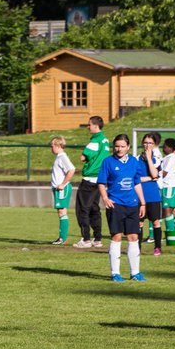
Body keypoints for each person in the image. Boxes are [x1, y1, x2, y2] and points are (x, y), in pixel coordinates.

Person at [96, 134, 147, 282]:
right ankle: (115, 273)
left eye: (122, 146)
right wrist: (105, 198)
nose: (119, 149)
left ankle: (135, 272)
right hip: (115, 204)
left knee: (133, 237)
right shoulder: (108, 162)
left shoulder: (134, 162)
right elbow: (101, 183)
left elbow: (136, 183)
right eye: (117, 146)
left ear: (128, 147)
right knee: (116, 236)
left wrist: (142, 203)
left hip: (132, 204)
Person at [74, 116, 109, 248]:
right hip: (100, 179)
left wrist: (86, 158)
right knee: (95, 208)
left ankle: (86, 239)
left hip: (89, 179)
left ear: (95, 126)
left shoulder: (96, 140)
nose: (88, 127)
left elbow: (83, 156)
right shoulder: (105, 140)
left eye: (89, 125)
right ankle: (98, 238)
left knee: (82, 208)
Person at [138, 133, 164, 255]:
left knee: (155, 221)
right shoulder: (136, 159)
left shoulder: (157, 160)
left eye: (150, 143)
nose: (147, 145)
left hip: (153, 195)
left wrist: (149, 158)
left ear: (154, 145)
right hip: (140, 195)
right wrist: (147, 178)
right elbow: (136, 178)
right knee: (139, 222)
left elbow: (155, 175)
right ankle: (136, 248)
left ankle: (157, 247)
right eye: (146, 142)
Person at [158, 138, 175, 251]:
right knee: (174, 210)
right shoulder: (169, 157)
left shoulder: (171, 157)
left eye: (165, 146)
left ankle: (171, 234)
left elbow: (165, 172)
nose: (163, 148)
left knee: (167, 210)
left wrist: (155, 174)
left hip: (169, 185)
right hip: (172, 185)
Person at [49, 136, 75, 245]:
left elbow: (72, 169)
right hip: (58, 189)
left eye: (52, 146)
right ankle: (61, 238)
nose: (51, 149)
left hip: (62, 189)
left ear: (58, 146)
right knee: (60, 211)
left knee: (62, 211)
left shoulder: (62, 157)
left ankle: (63, 239)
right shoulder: (59, 157)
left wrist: (63, 184)